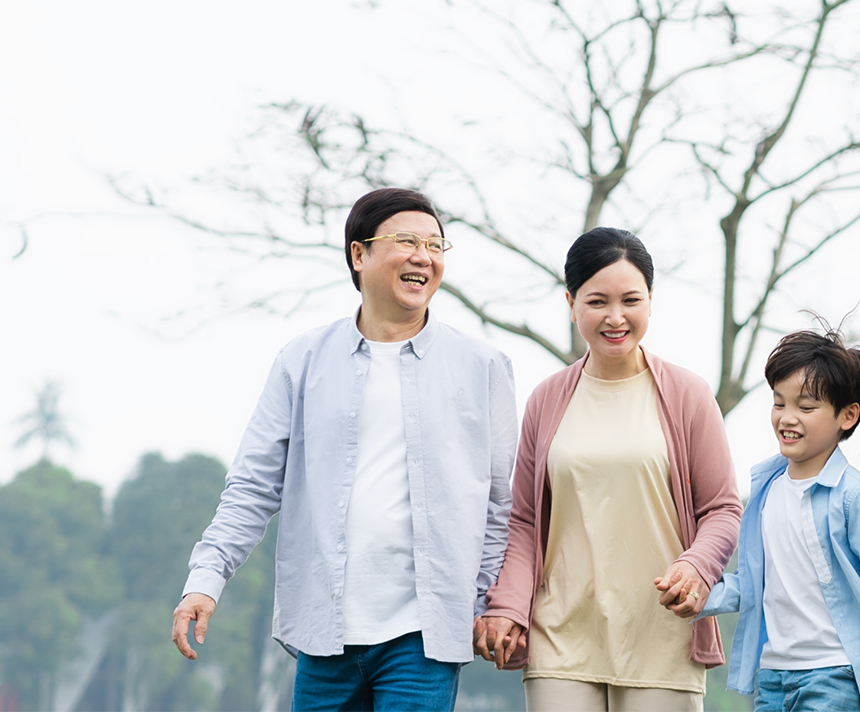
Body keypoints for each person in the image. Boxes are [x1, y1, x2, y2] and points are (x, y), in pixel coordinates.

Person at [170, 188, 518, 712]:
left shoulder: (482, 367)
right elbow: (252, 486)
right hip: (323, 630)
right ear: (359, 254)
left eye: (435, 245)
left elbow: (498, 504)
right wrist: (205, 579)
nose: (424, 256)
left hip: (424, 636)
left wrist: (487, 602)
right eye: (407, 241)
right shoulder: (302, 360)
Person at [473, 227, 742, 712]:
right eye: (597, 301)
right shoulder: (546, 399)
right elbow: (525, 521)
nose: (615, 317)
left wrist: (696, 567)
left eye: (630, 300)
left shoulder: (689, 395)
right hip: (560, 637)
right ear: (572, 303)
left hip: (661, 635)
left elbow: (721, 509)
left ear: (651, 300)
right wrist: (507, 605)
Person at [682, 328, 860, 711]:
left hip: (835, 676)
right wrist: (699, 596)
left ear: (848, 415)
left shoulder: (855, 495)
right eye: (779, 403)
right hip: (771, 678)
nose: (787, 418)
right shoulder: (765, 492)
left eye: (805, 408)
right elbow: (755, 583)